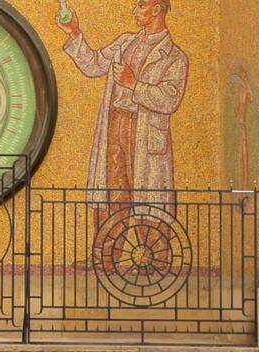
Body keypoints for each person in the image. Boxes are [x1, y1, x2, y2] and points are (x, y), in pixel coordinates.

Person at [54, 0, 189, 209]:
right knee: (113, 194)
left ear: (156, 9)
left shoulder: (175, 57)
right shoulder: (126, 42)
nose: (134, 10)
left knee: (147, 203)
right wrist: (74, 32)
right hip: (115, 123)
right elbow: (93, 65)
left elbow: (169, 100)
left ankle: (149, 231)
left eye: (141, 5)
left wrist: (134, 84)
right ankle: (111, 231)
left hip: (143, 130)